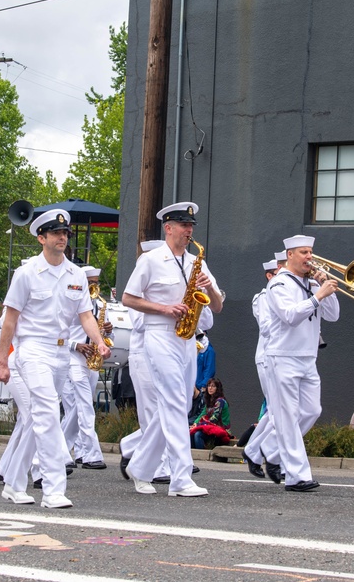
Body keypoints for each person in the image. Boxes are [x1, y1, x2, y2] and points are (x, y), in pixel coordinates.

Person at [0, 209, 111, 508]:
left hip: (61, 352)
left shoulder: (75, 275)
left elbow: (85, 315)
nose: (62, 237)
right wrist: (3, 361)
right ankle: (53, 488)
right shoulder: (27, 273)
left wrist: (99, 342)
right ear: (41, 238)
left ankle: (13, 482)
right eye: (56, 233)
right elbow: (10, 321)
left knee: (37, 418)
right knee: (47, 413)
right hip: (32, 348)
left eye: (65, 233)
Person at [121, 202, 223, 498]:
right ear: (168, 228)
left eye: (191, 226)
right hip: (159, 334)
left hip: (188, 338)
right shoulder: (151, 260)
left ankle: (140, 466)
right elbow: (128, 298)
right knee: (175, 403)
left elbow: (216, 306)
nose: (189, 230)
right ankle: (181, 478)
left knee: (179, 404)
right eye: (183, 225)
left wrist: (210, 288)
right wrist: (164, 308)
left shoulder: (198, 263)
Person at [262, 234, 340, 493]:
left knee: (312, 410)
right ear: (290, 255)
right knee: (287, 416)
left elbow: (333, 315)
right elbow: (289, 316)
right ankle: (297, 476)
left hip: (308, 357)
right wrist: (318, 296)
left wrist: (326, 290)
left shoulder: (310, 283)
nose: (310, 257)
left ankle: (271, 449)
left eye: (311, 252)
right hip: (283, 355)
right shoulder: (279, 284)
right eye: (304, 252)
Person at [117, 240, 171, 483]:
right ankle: (157, 466)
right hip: (142, 354)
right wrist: (162, 309)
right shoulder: (139, 293)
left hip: (164, 352)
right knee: (151, 412)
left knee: (165, 411)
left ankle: (130, 446)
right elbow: (139, 324)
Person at [60, 265, 110, 470]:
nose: (94, 287)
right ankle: (91, 454)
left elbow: (107, 337)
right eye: (90, 283)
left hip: (91, 360)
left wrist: (106, 332)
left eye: (96, 283)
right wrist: (76, 345)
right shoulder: (68, 302)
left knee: (76, 410)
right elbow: (59, 332)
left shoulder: (98, 306)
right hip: (72, 357)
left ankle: (61, 450)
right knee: (85, 406)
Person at [241, 258, 283, 481]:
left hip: (284, 356)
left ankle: (254, 450)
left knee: (277, 411)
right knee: (279, 411)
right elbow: (267, 328)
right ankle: (263, 452)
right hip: (268, 356)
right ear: (270, 275)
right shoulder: (263, 298)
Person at [190, 377, 231, 448]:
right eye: (209, 386)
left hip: (221, 429)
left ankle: (202, 457)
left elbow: (214, 419)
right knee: (191, 432)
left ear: (217, 388)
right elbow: (202, 414)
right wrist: (195, 423)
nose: (210, 388)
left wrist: (199, 425)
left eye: (213, 386)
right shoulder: (209, 401)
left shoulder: (220, 401)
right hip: (210, 427)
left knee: (198, 434)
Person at [190, 332, 216, 419]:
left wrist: (203, 386)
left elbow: (209, 369)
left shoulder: (209, 351)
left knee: (198, 412)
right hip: (193, 387)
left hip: (200, 388)